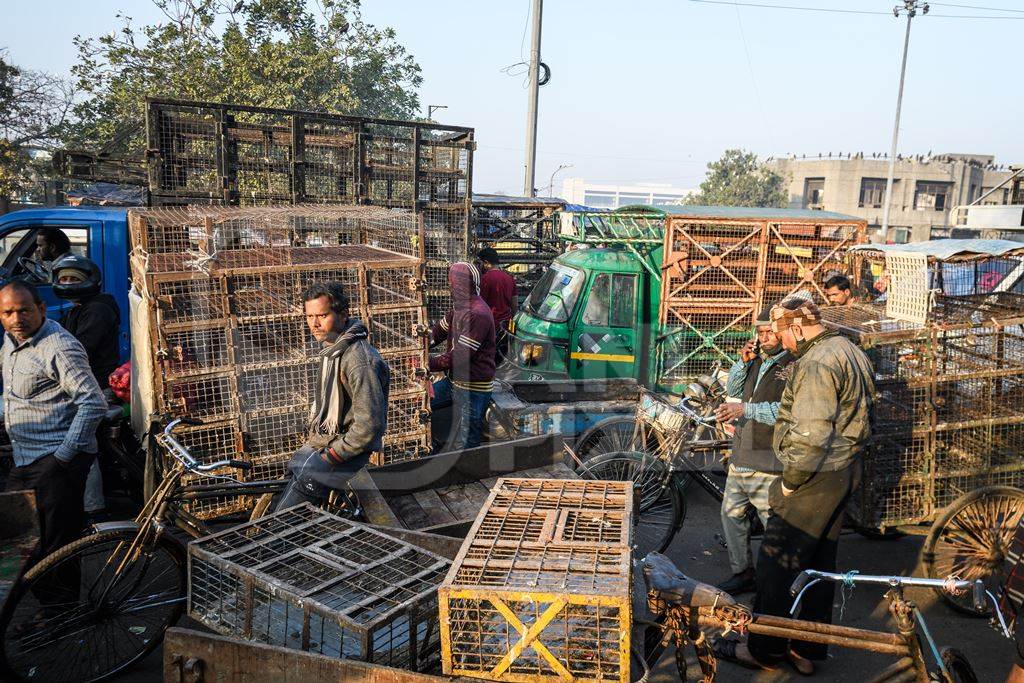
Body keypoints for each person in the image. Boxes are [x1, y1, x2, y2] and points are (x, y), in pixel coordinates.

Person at [725, 298, 874, 674]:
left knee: (777, 562)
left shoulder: (815, 363)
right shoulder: (848, 349)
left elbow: (810, 434)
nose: (779, 341)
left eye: (782, 333)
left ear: (795, 328)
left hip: (814, 475)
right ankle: (807, 649)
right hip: (844, 469)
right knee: (820, 565)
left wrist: (790, 484)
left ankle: (764, 649)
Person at [1, 280, 107, 602]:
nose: (17, 318)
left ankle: (62, 615)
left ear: (41, 309)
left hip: (55, 460)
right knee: (22, 538)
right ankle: (50, 609)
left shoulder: (59, 346)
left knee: (56, 545)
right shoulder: (10, 343)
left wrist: (62, 457)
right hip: (24, 456)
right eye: (8, 312)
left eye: (24, 310)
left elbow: (93, 403)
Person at [276, 282, 390, 510]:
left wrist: (331, 457)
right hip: (326, 441)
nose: (314, 324)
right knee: (283, 485)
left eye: (322, 315)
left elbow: (369, 427)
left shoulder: (359, 361)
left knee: (282, 520)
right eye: (309, 316)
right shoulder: (333, 348)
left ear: (343, 315)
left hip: (345, 451)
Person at [713, 303, 794, 595]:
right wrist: (742, 362)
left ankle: (777, 582)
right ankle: (743, 572)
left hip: (768, 459)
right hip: (743, 455)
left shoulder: (793, 365)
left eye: (769, 332)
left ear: (782, 333)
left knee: (771, 523)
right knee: (731, 516)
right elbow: (734, 391)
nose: (764, 338)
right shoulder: (757, 360)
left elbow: (785, 411)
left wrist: (744, 408)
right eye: (760, 333)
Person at [52, 255, 122, 521]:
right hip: (83, 385)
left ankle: (93, 507)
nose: (68, 283)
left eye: (74, 279)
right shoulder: (77, 309)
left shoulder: (98, 310)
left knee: (80, 439)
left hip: (96, 388)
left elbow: (78, 350)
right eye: (64, 279)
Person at [429, 261, 496, 450]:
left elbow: (459, 357)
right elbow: (437, 332)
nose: (450, 287)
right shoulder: (459, 308)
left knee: (467, 441)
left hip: (473, 388)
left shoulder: (477, 314)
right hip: (454, 382)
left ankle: (468, 472)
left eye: (453, 284)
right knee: (423, 406)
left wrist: (427, 364)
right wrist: (421, 343)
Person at [477, 247, 517, 360]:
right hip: (505, 325)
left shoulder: (485, 279)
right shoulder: (510, 278)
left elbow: (481, 304)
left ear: (486, 263)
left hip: (490, 324)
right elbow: (514, 305)